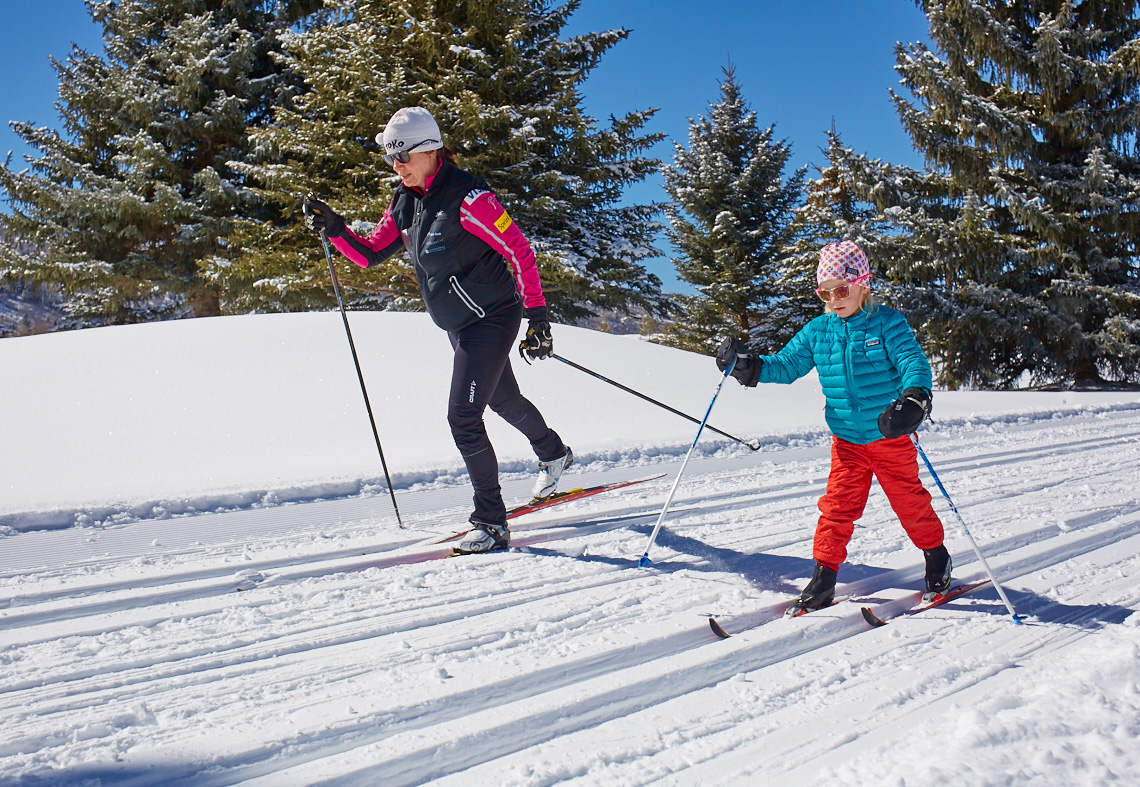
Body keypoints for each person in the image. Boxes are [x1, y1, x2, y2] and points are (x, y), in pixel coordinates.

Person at [303, 106, 572, 554]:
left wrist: (538, 317)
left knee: (463, 418)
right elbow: (370, 253)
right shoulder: (404, 200)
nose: (397, 166)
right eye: (391, 158)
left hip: (492, 316)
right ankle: (553, 453)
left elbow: (520, 251)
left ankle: (491, 521)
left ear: (430, 150)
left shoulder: (471, 199)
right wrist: (335, 230)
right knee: (502, 399)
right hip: (460, 323)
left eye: (403, 156)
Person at [716, 240, 951, 614]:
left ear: (864, 283)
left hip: (888, 437)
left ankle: (936, 558)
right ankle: (824, 579)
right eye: (825, 291)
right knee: (837, 509)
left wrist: (914, 398)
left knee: (910, 504)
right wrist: (750, 367)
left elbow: (913, 363)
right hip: (846, 441)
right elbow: (787, 364)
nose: (834, 298)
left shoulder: (888, 323)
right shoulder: (818, 330)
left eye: (842, 289)